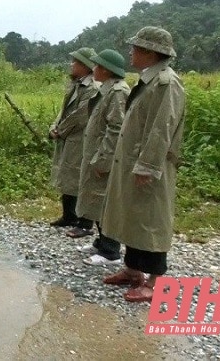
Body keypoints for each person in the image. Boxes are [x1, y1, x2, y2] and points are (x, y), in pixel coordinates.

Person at [100, 26, 186, 302]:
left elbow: (163, 128)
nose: (130, 53)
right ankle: (133, 270)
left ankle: (155, 281)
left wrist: (148, 165)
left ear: (149, 52)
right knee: (133, 215)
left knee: (151, 219)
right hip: (132, 161)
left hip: (150, 164)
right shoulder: (149, 80)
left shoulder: (166, 83)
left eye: (135, 48)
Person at [73, 49, 130, 265]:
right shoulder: (106, 89)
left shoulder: (117, 93)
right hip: (96, 153)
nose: (93, 69)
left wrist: (104, 159)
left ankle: (110, 251)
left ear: (105, 69)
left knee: (105, 201)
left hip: (104, 156)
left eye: (96, 66)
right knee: (96, 199)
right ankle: (101, 241)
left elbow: (115, 129)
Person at [48, 47, 100, 230]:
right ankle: (69, 216)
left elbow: (80, 115)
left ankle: (84, 221)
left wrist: (60, 130)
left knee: (79, 177)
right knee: (67, 175)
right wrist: (54, 126)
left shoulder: (92, 88)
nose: (72, 65)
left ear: (86, 66)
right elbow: (64, 111)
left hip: (80, 138)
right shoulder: (76, 85)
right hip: (69, 137)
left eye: (76, 62)